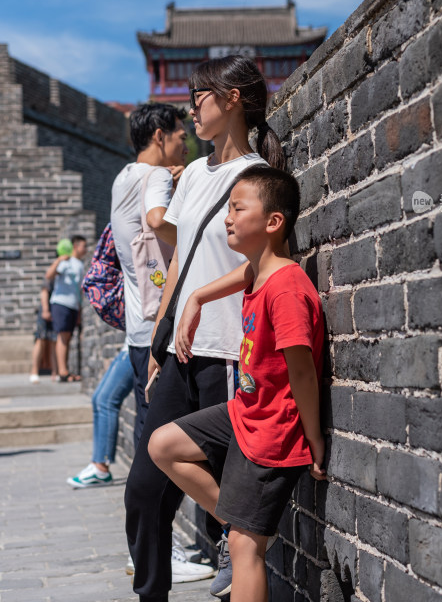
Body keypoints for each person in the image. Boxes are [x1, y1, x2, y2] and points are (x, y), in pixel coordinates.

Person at [124, 56, 285, 602]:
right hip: (179, 351)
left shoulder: (260, 178)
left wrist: (198, 299)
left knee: (227, 507)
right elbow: (180, 261)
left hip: (229, 354)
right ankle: (152, 592)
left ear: (233, 98)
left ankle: (237, 542)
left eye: (200, 95)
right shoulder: (192, 173)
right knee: (145, 489)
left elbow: (265, 266)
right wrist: (158, 340)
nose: (191, 107)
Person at [149, 165, 326, 602]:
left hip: (273, 429)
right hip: (245, 411)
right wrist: (195, 296)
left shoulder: (285, 288)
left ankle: (242, 527)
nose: (227, 218)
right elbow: (246, 277)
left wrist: (314, 437)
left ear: (273, 222)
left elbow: (302, 370)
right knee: (163, 445)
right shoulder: (260, 272)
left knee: (247, 549)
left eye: (236, 208)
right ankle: (236, 518)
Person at [67, 102, 188, 490]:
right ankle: (152, 548)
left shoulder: (123, 178)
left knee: (145, 430)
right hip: (161, 330)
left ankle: (146, 547)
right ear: (159, 136)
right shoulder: (156, 177)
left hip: (137, 329)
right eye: (181, 137)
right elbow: (155, 220)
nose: (187, 146)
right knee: (162, 440)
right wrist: (194, 240)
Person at [46, 235, 87, 382]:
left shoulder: (80, 264)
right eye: (83, 246)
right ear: (75, 246)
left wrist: (80, 310)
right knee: (62, 337)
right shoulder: (66, 262)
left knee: (67, 338)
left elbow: (80, 289)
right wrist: (59, 260)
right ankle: (62, 372)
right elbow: (49, 275)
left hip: (73, 305)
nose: (86, 249)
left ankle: (65, 370)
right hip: (61, 303)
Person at [29, 278, 57, 383]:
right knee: (41, 339)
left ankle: (55, 372)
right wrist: (45, 310)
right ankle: (34, 371)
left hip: (56, 309)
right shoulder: (52, 272)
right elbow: (44, 291)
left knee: (55, 340)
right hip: (46, 310)